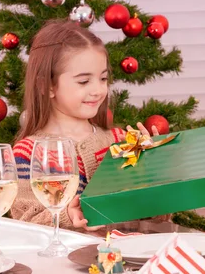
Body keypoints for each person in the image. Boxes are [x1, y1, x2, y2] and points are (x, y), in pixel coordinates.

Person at [11, 20, 160, 234]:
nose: (98, 90)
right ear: (47, 85)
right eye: (83, 82)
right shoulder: (28, 154)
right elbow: (26, 222)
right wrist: (68, 216)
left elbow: (150, 216)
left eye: (103, 79)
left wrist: (155, 173)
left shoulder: (122, 141)